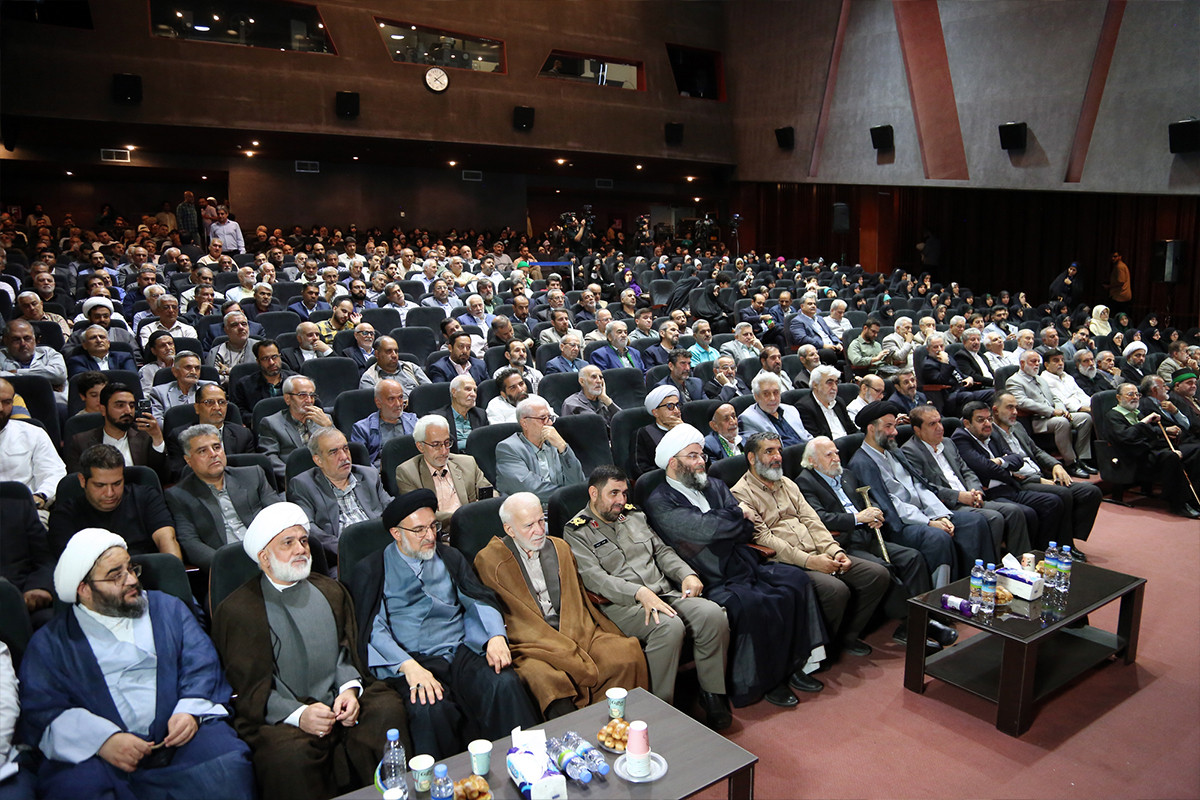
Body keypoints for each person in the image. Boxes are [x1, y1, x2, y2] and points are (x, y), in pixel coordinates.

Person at [21, 528, 257, 800]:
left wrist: (190, 710)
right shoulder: (51, 643)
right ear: (84, 589)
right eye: (116, 575)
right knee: (75, 789)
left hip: (180, 739)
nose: (132, 579)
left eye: (131, 568)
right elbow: (43, 708)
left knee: (228, 764)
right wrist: (103, 740)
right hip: (101, 755)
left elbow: (201, 664)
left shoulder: (168, 609)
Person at [211, 502, 410, 800]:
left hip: (338, 703)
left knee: (386, 711)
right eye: (288, 543)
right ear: (264, 557)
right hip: (282, 714)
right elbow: (252, 688)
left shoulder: (330, 590)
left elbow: (346, 652)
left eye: (303, 541)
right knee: (287, 756)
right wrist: (299, 714)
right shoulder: (238, 611)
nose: (301, 549)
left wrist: (349, 690)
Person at [345, 490, 540, 760]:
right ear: (396, 533)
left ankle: (529, 761)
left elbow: (476, 600)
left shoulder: (449, 557)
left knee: (503, 683)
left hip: (460, 650)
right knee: (429, 708)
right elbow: (374, 630)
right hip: (413, 659)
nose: (430, 536)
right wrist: (408, 666)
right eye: (419, 530)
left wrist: (495, 636)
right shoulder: (372, 570)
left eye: (433, 526)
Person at [646, 424, 827, 708]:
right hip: (707, 575)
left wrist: (723, 525)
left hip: (742, 563)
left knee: (796, 581)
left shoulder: (714, 485)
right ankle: (763, 682)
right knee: (752, 605)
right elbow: (706, 530)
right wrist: (733, 516)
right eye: (692, 456)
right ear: (673, 462)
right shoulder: (660, 501)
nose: (701, 461)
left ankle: (794, 665)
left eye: (701, 455)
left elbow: (745, 528)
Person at [563, 465, 730, 726]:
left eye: (624, 493)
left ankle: (712, 694)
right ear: (594, 493)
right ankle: (658, 708)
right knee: (669, 627)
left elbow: (661, 551)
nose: (621, 500)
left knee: (712, 614)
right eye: (613, 493)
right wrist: (639, 593)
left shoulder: (633, 515)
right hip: (622, 605)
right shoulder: (577, 531)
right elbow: (595, 578)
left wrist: (686, 574)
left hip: (664, 592)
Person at [474, 492, 649, 718]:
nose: (539, 530)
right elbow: (503, 614)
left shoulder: (559, 548)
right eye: (529, 526)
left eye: (541, 521)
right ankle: (575, 734)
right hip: (530, 642)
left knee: (625, 654)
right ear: (510, 530)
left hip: (573, 629)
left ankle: (618, 724)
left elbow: (576, 601)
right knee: (546, 681)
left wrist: (571, 632)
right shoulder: (489, 561)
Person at [733, 432, 890, 658]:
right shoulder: (740, 493)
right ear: (751, 457)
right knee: (836, 590)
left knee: (876, 575)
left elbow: (812, 521)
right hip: (786, 563)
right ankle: (816, 650)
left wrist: (835, 550)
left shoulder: (787, 483)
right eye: (769, 451)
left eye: (779, 450)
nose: (777, 457)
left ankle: (844, 636)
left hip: (818, 551)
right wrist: (810, 561)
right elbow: (765, 538)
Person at [796, 437, 955, 650]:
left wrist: (876, 514)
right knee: (883, 569)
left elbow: (867, 501)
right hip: (842, 542)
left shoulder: (846, 475)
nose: (836, 458)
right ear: (812, 461)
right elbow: (820, 518)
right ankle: (913, 625)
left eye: (836, 452)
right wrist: (858, 518)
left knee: (912, 558)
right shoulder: (804, 482)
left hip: (868, 535)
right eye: (829, 455)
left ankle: (921, 617)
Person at [848, 402, 988, 584]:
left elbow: (920, 486)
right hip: (900, 524)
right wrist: (928, 522)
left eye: (894, 426)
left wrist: (939, 515)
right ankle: (940, 594)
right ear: (871, 428)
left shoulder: (894, 452)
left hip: (924, 514)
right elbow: (889, 503)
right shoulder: (861, 463)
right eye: (888, 426)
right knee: (938, 537)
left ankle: (975, 584)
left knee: (975, 521)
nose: (895, 432)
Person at [953, 396, 1101, 552]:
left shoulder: (1005, 429)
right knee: (1054, 499)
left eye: (988, 419)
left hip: (1014, 483)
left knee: (1087, 492)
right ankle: (1051, 547)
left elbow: (1018, 459)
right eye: (981, 420)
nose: (987, 423)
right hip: (1005, 487)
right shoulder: (962, 438)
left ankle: (1059, 543)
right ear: (967, 423)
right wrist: (1008, 471)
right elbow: (985, 467)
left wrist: (1001, 462)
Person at [900, 405, 1034, 558]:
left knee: (1014, 512)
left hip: (971, 497)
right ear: (917, 430)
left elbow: (967, 471)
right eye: (932, 424)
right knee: (994, 518)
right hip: (947, 505)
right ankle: (991, 566)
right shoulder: (910, 451)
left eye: (939, 422)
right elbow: (925, 486)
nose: (940, 428)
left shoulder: (948, 443)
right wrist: (959, 496)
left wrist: (976, 491)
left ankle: (1022, 563)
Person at [166, 424, 281, 570]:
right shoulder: (179, 495)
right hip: (227, 567)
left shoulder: (253, 475)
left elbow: (279, 516)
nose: (213, 454)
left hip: (270, 556)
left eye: (216, 447)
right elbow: (190, 543)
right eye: (202, 451)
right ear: (188, 460)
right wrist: (226, 565)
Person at [287, 427, 392, 572]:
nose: (344, 457)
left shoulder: (369, 475)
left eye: (345, 449)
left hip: (384, 548)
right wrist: (348, 549)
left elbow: (392, 508)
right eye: (333, 452)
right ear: (318, 460)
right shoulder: (302, 485)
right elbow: (309, 528)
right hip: (344, 559)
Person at [1106, 383, 1200, 518]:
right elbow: (1126, 437)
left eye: (1137, 394)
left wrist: (1165, 431)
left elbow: (1150, 432)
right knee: (1171, 456)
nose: (1135, 397)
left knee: (1196, 450)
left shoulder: (1136, 413)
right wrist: (1144, 422)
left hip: (1151, 449)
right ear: (1119, 397)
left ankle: (1194, 497)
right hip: (1134, 456)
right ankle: (1179, 504)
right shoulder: (1113, 415)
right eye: (1130, 394)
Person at [1006, 350, 1094, 478]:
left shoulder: (1040, 379)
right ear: (1022, 363)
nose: (1037, 364)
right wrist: (1052, 412)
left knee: (1085, 418)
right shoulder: (1014, 381)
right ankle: (1071, 463)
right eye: (1033, 361)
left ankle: (1083, 459)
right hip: (1037, 420)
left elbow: (1055, 398)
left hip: (1053, 415)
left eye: (1038, 361)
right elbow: (1022, 402)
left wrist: (1062, 410)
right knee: (1061, 422)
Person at [394, 415, 493, 530]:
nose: (444, 451)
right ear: (420, 447)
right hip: (438, 533)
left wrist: (483, 507)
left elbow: (490, 494)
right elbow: (420, 514)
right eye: (436, 445)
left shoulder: (467, 463)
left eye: (447, 443)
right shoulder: (407, 473)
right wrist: (465, 516)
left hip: (475, 528)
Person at [64, 381, 166, 479]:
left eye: (131, 406)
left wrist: (157, 437)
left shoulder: (145, 436)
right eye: (120, 405)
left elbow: (162, 477)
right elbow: (77, 482)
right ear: (103, 410)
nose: (128, 411)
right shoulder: (81, 442)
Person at [495, 397, 585, 505]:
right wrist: (568, 494)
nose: (550, 423)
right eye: (543, 418)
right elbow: (531, 489)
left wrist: (563, 447)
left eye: (550, 418)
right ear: (524, 423)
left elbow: (577, 481)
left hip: (562, 506)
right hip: (530, 511)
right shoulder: (508, 448)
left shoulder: (555, 443)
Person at [0, 378, 66, 524]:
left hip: (27, 510)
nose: (1, 408)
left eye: (7, 402)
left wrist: (41, 496)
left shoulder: (34, 433)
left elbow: (54, 472)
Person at [258, 375, 332, 481]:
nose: (309, 400)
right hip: (294, 479)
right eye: (302, 395)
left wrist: (329, 427)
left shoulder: (325, 419)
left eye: (312, 395)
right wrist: (296, 478)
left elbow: (341, 450)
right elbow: (270, 459)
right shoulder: (271, 423)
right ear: (287, 398)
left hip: (327, 477)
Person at [351, 379, 417, 468]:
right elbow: (361, 465)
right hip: (381, 473)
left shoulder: (414, 421)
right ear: (378, 403)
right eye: (391, 399)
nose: (398, 404)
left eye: (400, 397)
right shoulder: (362, 429)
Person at [1, 319, 68, 403]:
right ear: (6, 341)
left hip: (56, 402)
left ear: (35, 339)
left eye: (27, 338)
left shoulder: (48, 353)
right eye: (16, 339)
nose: (23, 344)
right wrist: (44, 384)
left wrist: (16, 372)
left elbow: (59, 374)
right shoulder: (1, 356)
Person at [739, 371, 813, 447]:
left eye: (776, 392)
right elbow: (758, 450)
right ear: (756, 397)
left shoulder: (791, 410)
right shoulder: (748, 418)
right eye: (766, 394)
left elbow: (807, 437)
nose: (772, 398)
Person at [232, 340, 294, 419]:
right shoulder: (244, 385)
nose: (271, 362)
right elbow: (239, 412)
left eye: (274, 357)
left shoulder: (296, 381)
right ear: (258, 361)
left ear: (280, 357)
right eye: (265, 358)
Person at [796, 365, 859, 440]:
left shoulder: (839, 402)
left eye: (836, 383)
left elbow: (852, 430)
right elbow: (817, 439)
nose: (835, 387)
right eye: (829, 383)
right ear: (815, 385)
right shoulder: (804, 407)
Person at [147, 351, 209, 425]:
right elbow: (158, 423)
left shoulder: (210, 389)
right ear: (175, 371)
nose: (193, 372)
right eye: (188, 367)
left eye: (197, 368)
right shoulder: (159, 393)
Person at [67, 325, 137, 376]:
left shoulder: (124, 357)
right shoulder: (77, 361)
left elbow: (131, 378)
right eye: (93, 338)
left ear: (108, 343)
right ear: (84, 345)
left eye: (102, 337)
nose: (99, 340)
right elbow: (83, 382)